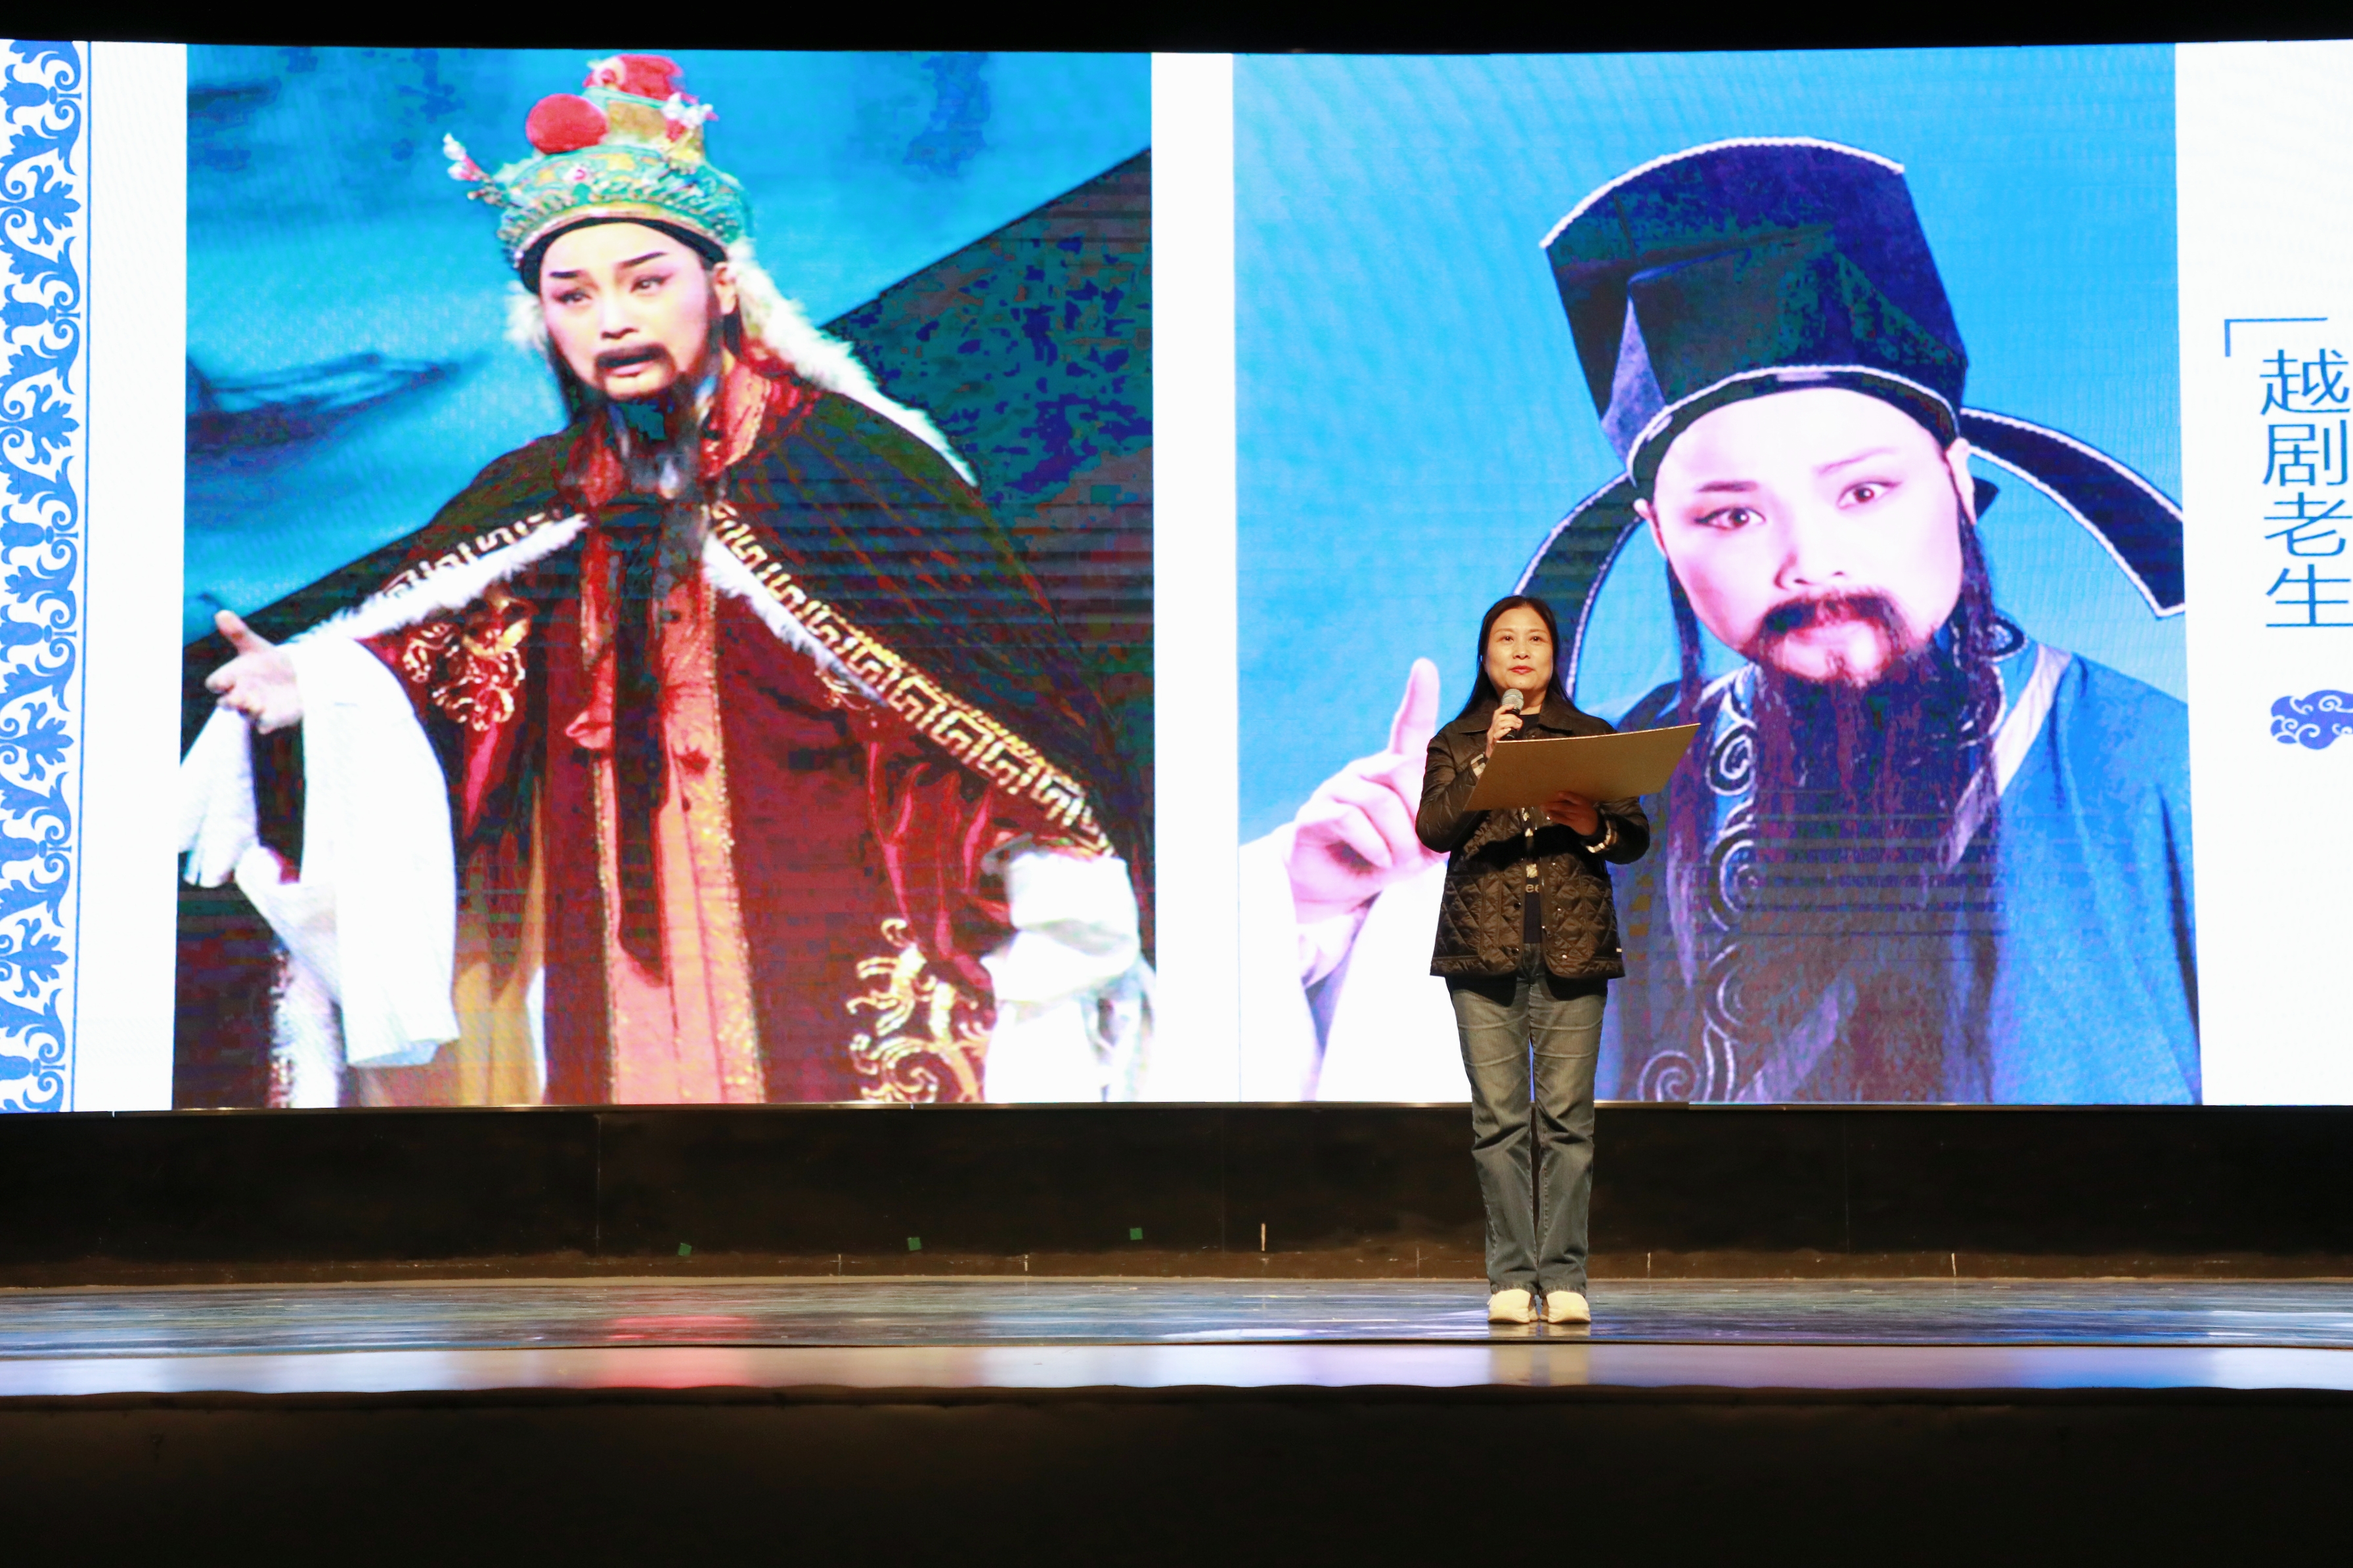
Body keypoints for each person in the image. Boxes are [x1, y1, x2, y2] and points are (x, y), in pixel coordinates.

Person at [177, 54, 1151, 1109]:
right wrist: (322, 688)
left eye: (646, 282)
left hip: (828, 908)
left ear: (721, 287)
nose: (612, 319)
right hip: (612, 932)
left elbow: (1001, 705)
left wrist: (1041, 879)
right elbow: (444, 654)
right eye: (573, 295)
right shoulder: (539, 494)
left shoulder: (848, 468)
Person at [1244, 138, 2196, 1104]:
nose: (1809, 562)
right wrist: (1318, 901)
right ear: (1662, 534)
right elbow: (1412, 1115)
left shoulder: (2165, 772)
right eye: (1732, 517)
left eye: (1863, 492)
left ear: (1953, 481)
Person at [1417, 595, 1648, 1324]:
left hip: (1573, 949)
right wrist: (1488, 756)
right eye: (1506, 639)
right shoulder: (1457, 740)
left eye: (1536, 639)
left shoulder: (1589, 736)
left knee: (1567, 1121)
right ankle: (1511, 1279)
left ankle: (1565, 1276)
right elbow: (1434, 829)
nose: (1521, 651)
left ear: (1554, 654)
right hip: (1479, 951)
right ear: (1485, 656)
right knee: (1499, 1123)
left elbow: (1633, 837)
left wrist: (1591, 824)